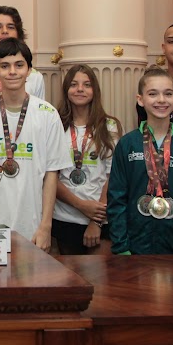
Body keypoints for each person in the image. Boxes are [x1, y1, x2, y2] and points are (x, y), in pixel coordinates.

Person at [0, 38, 71, 250]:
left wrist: (46, 227)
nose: (12, 71)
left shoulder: (47, 114)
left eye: (19, 65)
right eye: (5, 66)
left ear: (29, 70)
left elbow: (51, 173)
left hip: (33, 222)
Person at [108, 66, 173, 255]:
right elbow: (117, 199)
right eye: (153, 94)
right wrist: (122, 247)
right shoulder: (127, 144)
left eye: (168, 94)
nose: (161, 100)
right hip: (134, 249)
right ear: (140, 100)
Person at [52, 64, 121, 255]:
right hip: (64, 218)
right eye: (74, 84)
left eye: (87, 85)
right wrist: (80, 205)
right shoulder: (55, 124)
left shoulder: (109, 126)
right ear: (66, 90)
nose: (80, 89)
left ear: (95, 91)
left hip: (99, 220)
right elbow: (49, 176)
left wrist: (96, 221)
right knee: (67, 281)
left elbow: (112, 176)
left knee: (98, 281)